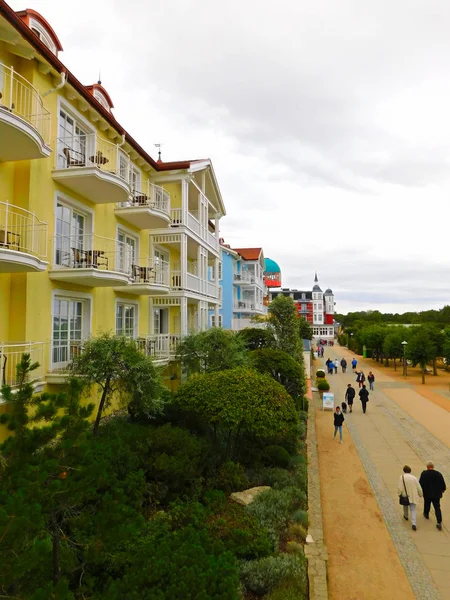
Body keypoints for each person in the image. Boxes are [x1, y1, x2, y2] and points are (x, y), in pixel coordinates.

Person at [419, 462, 446, 531]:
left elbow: (420, 483)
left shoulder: (424, 474)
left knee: (427, 504)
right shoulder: (438, 474)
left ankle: (426, 513)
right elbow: (442, 484)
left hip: (427, 494)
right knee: (437, 507)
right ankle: (439, 521)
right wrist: (442, 490)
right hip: (436, 494)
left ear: (427, 467)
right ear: (433, 467)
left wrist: (421, 491)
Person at [398, 465, 423, 531]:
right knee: (413, 509)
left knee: (405, 506)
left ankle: (406, 516)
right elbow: (419, 488)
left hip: (405, 495)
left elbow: (400, 487)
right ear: (410, 470)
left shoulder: (402, 477)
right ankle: (414, 523)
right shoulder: (414, 478)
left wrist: (399, 494)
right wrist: (421, 494)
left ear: (404, 470)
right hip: (413, 496)